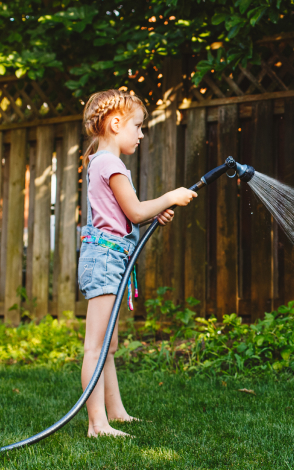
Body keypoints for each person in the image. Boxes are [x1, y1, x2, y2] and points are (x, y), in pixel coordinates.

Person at [78, 89, 197, 438]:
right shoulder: (110, 163)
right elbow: (134, 211)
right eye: (138, 126)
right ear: (116, 124)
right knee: (95, 347)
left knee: (108, 346)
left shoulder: (101, 162)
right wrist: (168, 198)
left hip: (111, 257)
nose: (142, 134)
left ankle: (115, 413)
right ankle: (97, 424)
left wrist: (152, 213)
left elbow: (122, 217)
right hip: (104, 260)